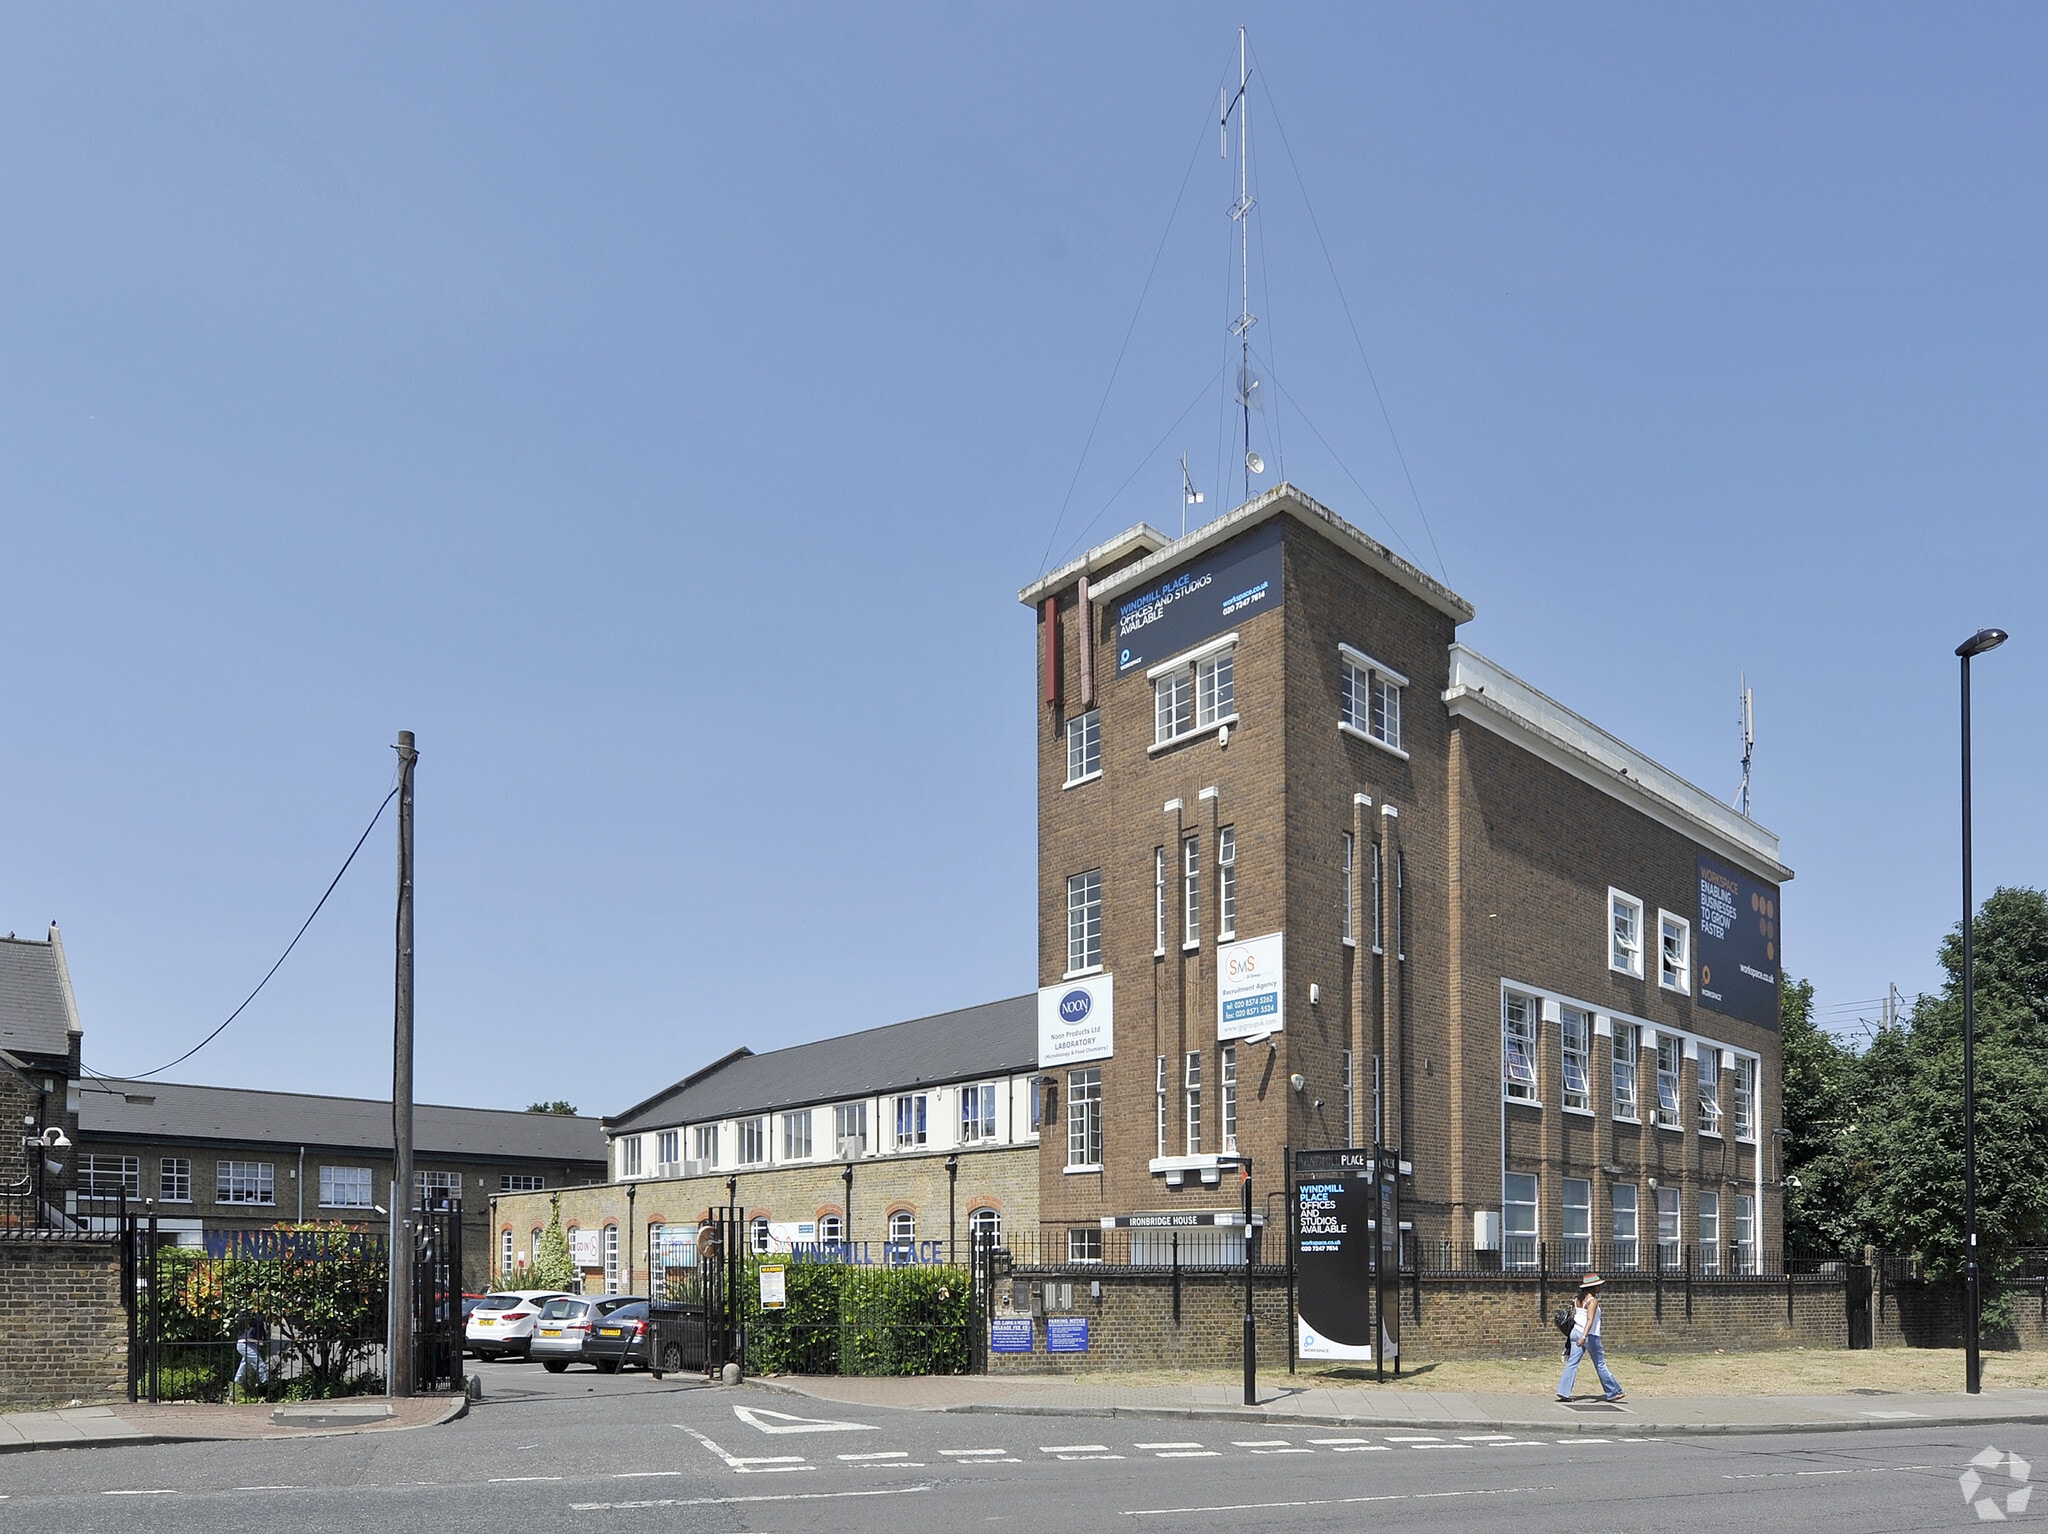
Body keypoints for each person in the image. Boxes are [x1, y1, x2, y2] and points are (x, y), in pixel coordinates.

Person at [1556, 1272, 1625, 1403]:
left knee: (1572, 1363)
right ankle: (1613, 1392)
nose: (1601, 1288)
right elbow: (1590, 1320)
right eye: (1599, 1286)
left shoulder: (1577, 1300)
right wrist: (1585, 1336)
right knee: (1600, 1364)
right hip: (1589, 1335)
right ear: (1592, 1287)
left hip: (1575, 1332)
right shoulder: (1592, 1301)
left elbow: (1575, 1316)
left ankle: (1563, 1392)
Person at [233, 1312, 271, 1397]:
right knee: (259, 1363)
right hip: (245, 1343)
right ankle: (267, 1385)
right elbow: (245, 1318)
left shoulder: (264, 1318)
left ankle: (235, 1386)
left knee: (243, 1367)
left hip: (252, 1344)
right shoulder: (257, 1315)